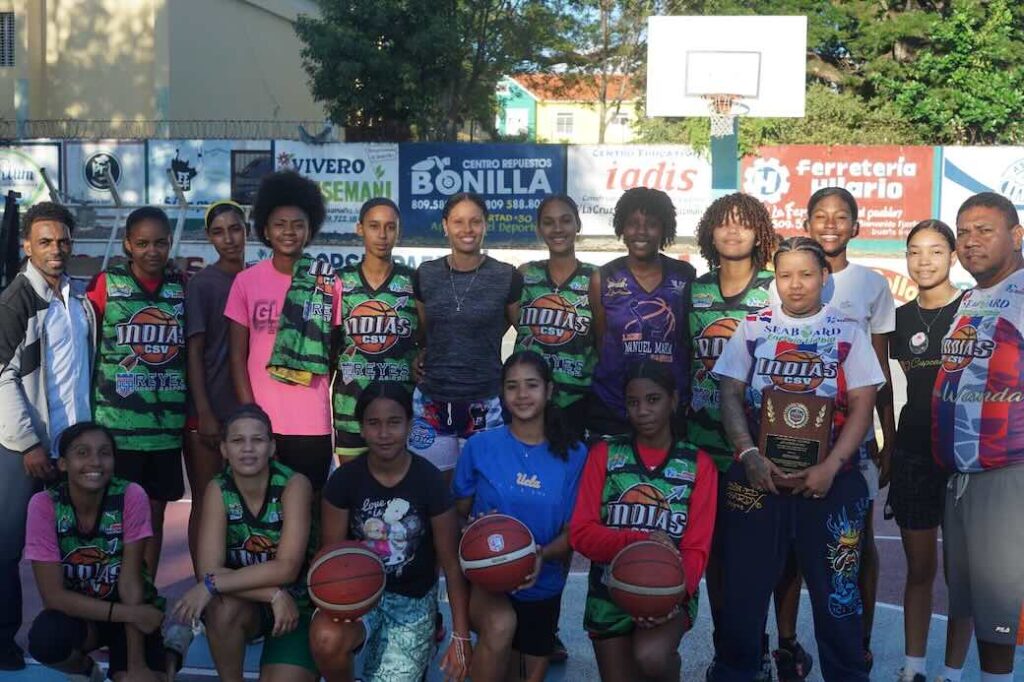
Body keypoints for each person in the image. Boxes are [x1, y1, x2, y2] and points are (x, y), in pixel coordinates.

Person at [711, 236, 884, 682]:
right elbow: (729, 393)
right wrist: (747, 453)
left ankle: (847, 674)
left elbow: (863, 405)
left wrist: (832, 465)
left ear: (824, 278)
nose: (796, 285)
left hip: (829, 482)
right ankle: (736, 672)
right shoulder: (752, 327)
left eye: (806, 274)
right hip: (756, 479)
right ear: (776, 279)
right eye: (785, 275)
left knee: (837, 597)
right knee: (743, 594)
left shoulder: (848, 330)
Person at [773, 187, 896, 676]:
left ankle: (856, 640)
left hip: (851, 440)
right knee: (791, 547)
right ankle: (786, 641)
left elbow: (879, 372)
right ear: (806, 220)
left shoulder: (871, 285)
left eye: (840, 217)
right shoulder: (782, 283)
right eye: (819, 215)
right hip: (791, 440)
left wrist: (887, 436)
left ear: (856, 225)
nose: (830, 223)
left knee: (854, 543)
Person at [310, 382, 472, 682]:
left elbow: (451, 564)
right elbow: (332, 559)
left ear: (410, 425)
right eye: (374, 423)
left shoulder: (430, 481)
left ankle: (418, 650)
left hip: (411, 600)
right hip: (359, 595)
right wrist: (342, 600)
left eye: (394, 422)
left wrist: (461, 637)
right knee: (325, 637)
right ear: (361, 428)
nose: (384, 433)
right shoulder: (344, 481)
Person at [570, 362, 718, 682]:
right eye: (633, 402)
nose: (643, 411)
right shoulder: (605, 454)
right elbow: (581, 534)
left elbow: (696, 548)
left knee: (651, 657)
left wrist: (672, 599)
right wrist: (640, 541)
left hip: (670, 590)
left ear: (673, 400)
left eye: (653, 400)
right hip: (609, 590)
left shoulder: (697, 464)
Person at [933, 192, 1024, 682]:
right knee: (970, 601)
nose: (970, 242)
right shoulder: (971, 298)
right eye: (963, 232)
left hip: (1007, 476)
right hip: (963, 476)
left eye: (984, 230)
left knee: (999, 618)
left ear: (1017, 236)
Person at [453, 351, 588, 681]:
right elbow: (456, 517)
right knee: (500, 625)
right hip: (488, 582)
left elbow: (575, 531)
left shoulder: (574, 454)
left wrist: (541, 554)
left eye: (531, 385)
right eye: (512, 387)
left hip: (542, 584)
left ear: (549, 390)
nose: (522, 395)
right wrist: (472, 532)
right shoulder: (479, 447)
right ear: (502, 393)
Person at [0, 202, 95, 670]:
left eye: (62, 241)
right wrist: (29, 443)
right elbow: (1, 376)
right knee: (7, 546)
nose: (55, 249)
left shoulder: (75, 299)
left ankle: (73, 640)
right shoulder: (16, 300)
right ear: (27, 246)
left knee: (74, 545)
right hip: (23, 449)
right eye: (44, 241)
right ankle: (2, 639)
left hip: (70, 450)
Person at [688, 193, 776, 679]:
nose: (734, 232)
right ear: (710, 233)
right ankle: (728, 647)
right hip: (703, 446)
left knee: (753, 560)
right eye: (724, 224)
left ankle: (756, 649)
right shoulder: (696, 292)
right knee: (714, 557)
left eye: (744, 224)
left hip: (758, 448)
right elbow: (684, 360)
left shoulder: (774, 289)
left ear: (759, 232)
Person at [172, 403, 317, 682]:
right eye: (238, 440)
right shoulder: (219, 487)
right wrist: (272, 594)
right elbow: (208, 570)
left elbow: (286, 568)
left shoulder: (294, 485)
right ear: (224, 450)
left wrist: (212, 584)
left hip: (297, 604)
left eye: (258, 440)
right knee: (220, 608)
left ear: (272, 447)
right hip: (249, 601)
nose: (248, 448)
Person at [889, 220, 972, 682]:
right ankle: (913, 668)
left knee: (963, 577)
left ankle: (952, 674)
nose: (924, 261)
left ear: (953, 256)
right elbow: (884, 390)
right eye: (915, 252)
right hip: (915, 452)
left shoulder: (972, 310)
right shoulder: (898, 319)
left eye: (936, 252)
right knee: (920, 569)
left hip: (966, 458)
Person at [25, 422, 172, 682]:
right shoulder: (45, 505)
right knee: (46, 638)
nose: (95, 462)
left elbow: (131, 581)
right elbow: (54, 597)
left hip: (133, 610)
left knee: (144, 678)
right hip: (86, 616)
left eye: (104, 453)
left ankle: (174, 651)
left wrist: (137, 666)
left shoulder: (130, 495)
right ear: (63, 464)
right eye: (82, 453)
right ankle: (86, 670)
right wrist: (130, 614)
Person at [225, 170, 343, 492]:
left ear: (310, 229)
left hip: (311, 420)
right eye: (280, 224)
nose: (289, 232)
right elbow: (237, 357)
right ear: (265, 230)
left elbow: (332, 351)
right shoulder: (246, 282)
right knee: (261, 511)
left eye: (298, 224)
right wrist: (251, 413)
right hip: (262, 421)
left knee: (310, 508)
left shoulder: (327, 282)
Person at [88, 206, 186, 578]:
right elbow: (86, 347)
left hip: (164, 429)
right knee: (115, 516)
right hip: (116, 427)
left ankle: (146, 591)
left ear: (170, 243)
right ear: (128, 244)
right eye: (142, 243)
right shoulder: (106, 284)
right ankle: (112, 589)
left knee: (155, 515)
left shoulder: (180, 288)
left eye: (160, 242)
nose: (152, 251)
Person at [410, 192, 522, 475]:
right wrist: (419, 354)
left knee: (481, 489)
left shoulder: (506, 276)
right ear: (445, 225)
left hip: (486, 402)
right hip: (432, 402)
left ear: (486, 225)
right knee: (434, 492)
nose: (467, 230)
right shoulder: (426, 274)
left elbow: (521, 330)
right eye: (458, 222)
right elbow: (424, 334)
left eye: (475, 221)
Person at [587, 187, 697, 437]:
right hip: (614, 405)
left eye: (652, 224)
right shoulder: (603, 277)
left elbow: (687, 341)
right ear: (622, 228)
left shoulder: (685, 275)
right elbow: (601, 340)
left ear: (664, 229)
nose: (641, 231)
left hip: (668, 409)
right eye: (633, 223)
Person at [184, 200, 246, 568]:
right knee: (207, 505)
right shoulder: (202, 285)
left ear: (247, 231)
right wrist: (204, 412)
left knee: (241, 505)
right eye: (219, 232)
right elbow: (195, 351)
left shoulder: (257, 278)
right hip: (208, 415)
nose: (229, 238)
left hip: (246, 414)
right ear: (209, 238)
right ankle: (201, 593)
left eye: (235, 229)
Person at [333, 198, 418, 463]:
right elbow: (326, 346)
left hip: (400, 411)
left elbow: (429, 337)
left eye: (390, 227)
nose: (382, 235)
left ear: (398, 231)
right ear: (360, 229)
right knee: (354, 494)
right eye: (374, 226)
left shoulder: (415, 282)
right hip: (350, 409)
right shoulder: (339, 281)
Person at [514, 195, 596, 441]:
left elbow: (604, 339)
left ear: (578, 225)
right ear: (539, 229)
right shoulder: (525, 274)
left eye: (566, 220)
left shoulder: (595, 278)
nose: (558, 229)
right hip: (527, 398)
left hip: (577, 401)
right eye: (549, 222)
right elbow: (513, 324)